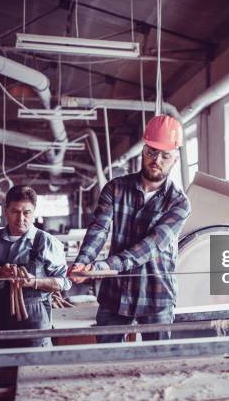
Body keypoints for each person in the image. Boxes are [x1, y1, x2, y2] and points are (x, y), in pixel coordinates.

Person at [69, 115, 191, 343]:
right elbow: (99, 229)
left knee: (158, 363)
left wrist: (104, 267)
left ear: (175, 158)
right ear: (143, 150)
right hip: (116, 292)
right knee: (106, 358)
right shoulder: (115, 188)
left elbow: (151, 246)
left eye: (165, 155)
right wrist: (83, 261)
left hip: (156, 294)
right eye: (152, 152)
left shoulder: (179, 203)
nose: (157, 160)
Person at [0, 185, 70, 347]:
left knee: (36, 370)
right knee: (1, 370)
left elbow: (63, 282)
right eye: (15, 212)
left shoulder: (47, 242)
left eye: (27, 212)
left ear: (34, 212)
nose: (21, 218)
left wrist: (34, 281)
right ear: (5, 211)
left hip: (35, 326)